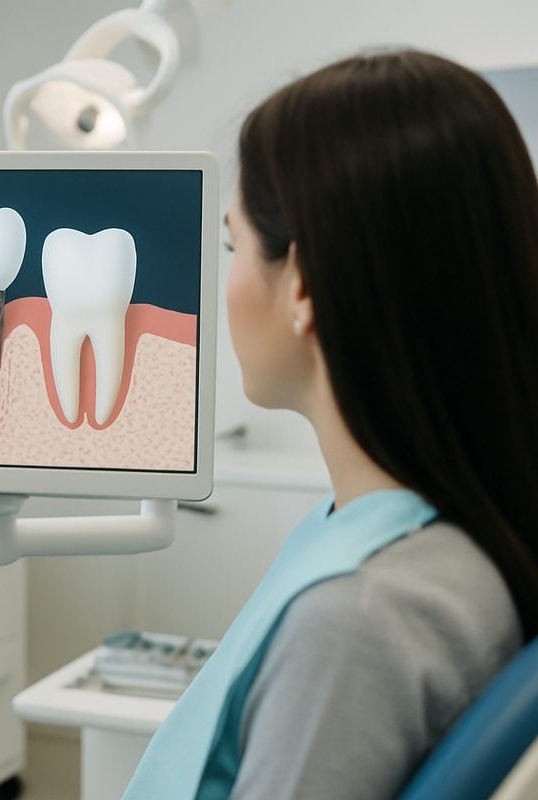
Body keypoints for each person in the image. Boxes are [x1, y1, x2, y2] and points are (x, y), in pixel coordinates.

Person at [124, 49, 538, 799]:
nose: (226, 281)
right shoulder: (411, 535)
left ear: (304, 283)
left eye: (233, 245)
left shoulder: (357, 616)